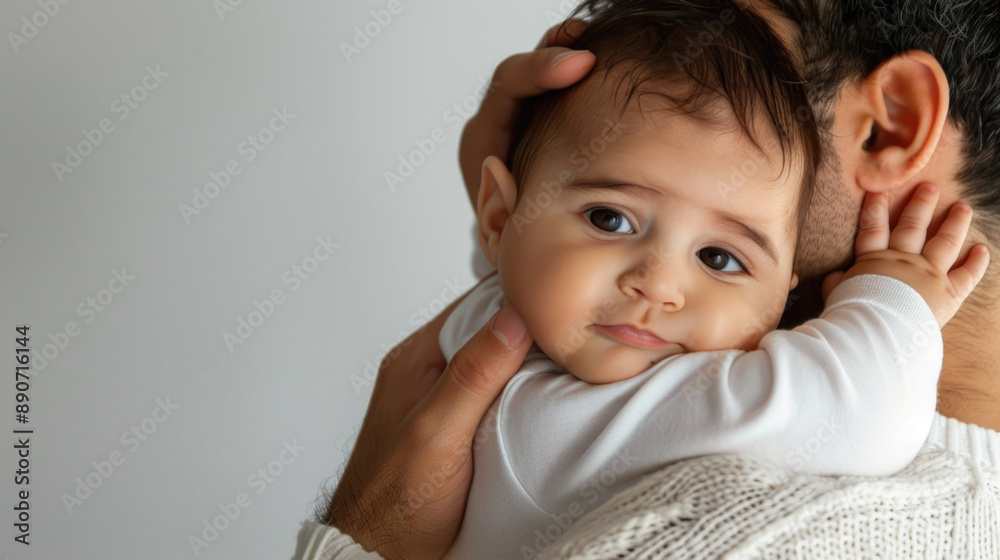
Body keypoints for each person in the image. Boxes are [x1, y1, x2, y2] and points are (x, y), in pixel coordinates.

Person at [293, 0, 1000, 557]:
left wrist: (364, 538)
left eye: (726, 48)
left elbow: (854, 402)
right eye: (610, 216)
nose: (657, 287)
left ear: (890, 127)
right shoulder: (691, 369)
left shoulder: (747, 531)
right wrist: (536, 198)